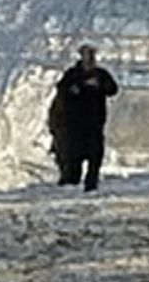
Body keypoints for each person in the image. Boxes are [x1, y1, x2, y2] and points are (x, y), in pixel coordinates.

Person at [51, 44, 119, 191]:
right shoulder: (72, 74)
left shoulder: (101, 74)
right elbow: (63, 92)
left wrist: (101, 84)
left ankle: (91, 184)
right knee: (73, 165)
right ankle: (68, 183)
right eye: (88, 55)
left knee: (96, 155)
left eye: (92, 56)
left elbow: (113, 89)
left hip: (95, 123)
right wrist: (79, 87)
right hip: (75, 125)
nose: (91, 59)